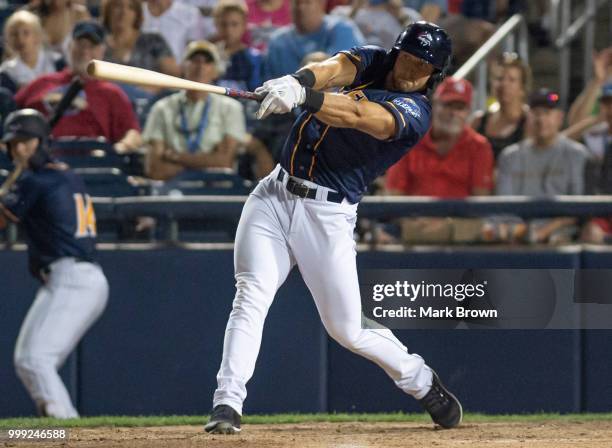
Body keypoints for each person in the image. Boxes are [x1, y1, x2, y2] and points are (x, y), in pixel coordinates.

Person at [204, 21, 462, 434]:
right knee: (250, 294)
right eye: (408, 57)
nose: (409, 68)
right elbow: (334, 68)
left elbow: (360, 115)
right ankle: (227, 402)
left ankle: (421, 380)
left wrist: (302, 97)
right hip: (274, 194)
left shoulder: (416, 113)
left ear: (435, 74)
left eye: (422, 65)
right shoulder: (379, 61)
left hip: (327, 216)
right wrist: (294, 80)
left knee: (347, 330)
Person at [0, 109, 108, 418]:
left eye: (25, 142)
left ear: (41, 142)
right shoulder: (61, 174)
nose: (19, 149)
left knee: (36, 360)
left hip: (73, 276)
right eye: (14, 144)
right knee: (27, 360)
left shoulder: (39, 180)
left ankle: (66, 433)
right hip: (68, 278)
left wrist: (7, 191)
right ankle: (56, 426)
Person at [384, 77, 493, 244]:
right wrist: (414, 223)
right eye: (447, 105)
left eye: (460, 107)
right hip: (413, 224)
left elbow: (480, 204)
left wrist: (445, 226)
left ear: (468, 111)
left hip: (458, 231)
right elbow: (394, 195)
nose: (453, 113)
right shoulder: (410, 139)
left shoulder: (479, 147)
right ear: (434, 105)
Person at [15, 21, 142, 153]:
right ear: (70, 47)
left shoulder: (112, 94)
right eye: (80, 44)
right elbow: (9, 113)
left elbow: (133, 133)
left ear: (102, 51)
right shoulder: (42, 83)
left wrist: (119, 149)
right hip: (41, 161)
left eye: (92, 46)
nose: (85, 50)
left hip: (91, 164)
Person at [143, 41, 247, 180]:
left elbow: (224, 163)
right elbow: (155, 169)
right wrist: (206, 162)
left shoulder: (230, 108)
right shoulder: (162, 108)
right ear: (183, 67)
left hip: (215, 189)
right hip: (172, 190)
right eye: (194, 60)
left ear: (216, 71)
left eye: (207, 62)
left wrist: (174, 157)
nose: (200, 67)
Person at [497, 89, 588, 244]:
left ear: (559, 117)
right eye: (536, 113)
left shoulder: (577, 154)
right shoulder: (509, 156)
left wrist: (544, 231)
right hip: (516, 235)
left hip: (561, 235)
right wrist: (522, 232)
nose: (541, 119)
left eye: (547, 113)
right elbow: (503, 205)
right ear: (528, 118)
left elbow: (577, 209)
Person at [264, 0, 364, 80]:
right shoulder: (278, 41)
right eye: (297, 2)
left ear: (321, 3)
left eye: (307, 2)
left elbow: (340, 75)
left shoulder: (343, 30)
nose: (301, 8)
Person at [471, 52, 531, 159]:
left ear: (522, 88)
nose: (504, 84)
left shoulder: (531, 121)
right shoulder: (478, 121)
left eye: (511, 80)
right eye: (499, 78)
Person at [101, 0, 180, 77]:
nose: (123, 12)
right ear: (108, 10)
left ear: (137, 14)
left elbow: (173, 74)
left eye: (131, 7)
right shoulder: (98, 42)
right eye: (117, 6)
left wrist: (154, 88)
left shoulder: (153, 40)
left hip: (148, 89)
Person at [0, 10, 64, 94]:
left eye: (26, 33)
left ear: (37, 35)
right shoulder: (7, 71)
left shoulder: (56, 61)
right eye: (14, 34)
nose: (20, 39)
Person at [579, 83, 612, 244]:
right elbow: (560, 140)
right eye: (607, 103)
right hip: (603, 209)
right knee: (591, 232)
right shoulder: (595, 136)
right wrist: (595, 119)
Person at [214, 0, 263, 92]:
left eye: (234, 24)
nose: (229, 30)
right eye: (224, 24)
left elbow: (256, 90)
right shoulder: (209, 55)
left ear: (244, 25)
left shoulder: (255, 58)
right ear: (216, 25)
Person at [141, 0, 213, 63]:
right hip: (138, 73)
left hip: (175, 75)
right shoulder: (137, 11)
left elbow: (194, 52)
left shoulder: (190, 14)